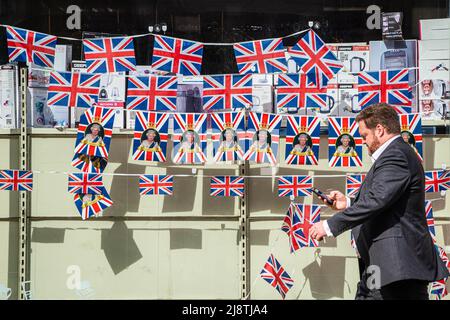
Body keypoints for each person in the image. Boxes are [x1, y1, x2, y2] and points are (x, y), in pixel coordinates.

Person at [309, 103, 449, 300]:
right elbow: (384, 198)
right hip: (381, 264)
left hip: (399, 265)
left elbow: (377, 200)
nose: (363, 141)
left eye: (364, 135)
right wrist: (348, 202)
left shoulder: (396, 155)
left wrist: (329, 226)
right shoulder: (394, 154)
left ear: (380, 130)